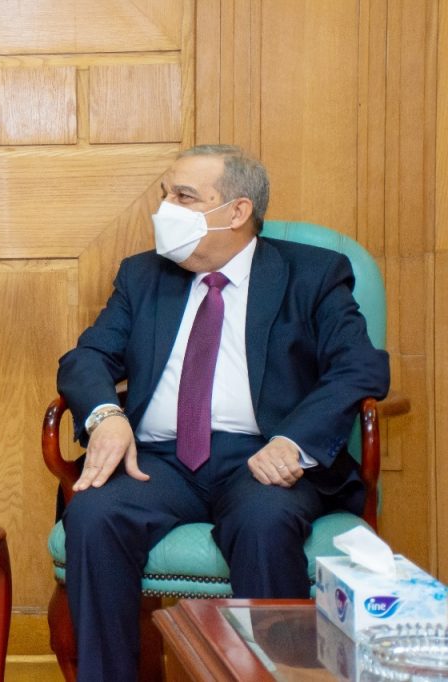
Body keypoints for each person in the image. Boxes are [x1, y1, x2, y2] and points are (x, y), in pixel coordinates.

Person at [57, 144, 390, 680]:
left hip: (262, 457)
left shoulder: (313, 273)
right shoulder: (142, 276)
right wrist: (105, 416)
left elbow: (359, 368)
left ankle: (272, 675)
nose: (165, 209)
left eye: (184, 197)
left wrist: (294, 442)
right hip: (159, 461)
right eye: (165, 194)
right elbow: (88, 357)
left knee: (264, 520)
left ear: (237, 211)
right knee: (93, 515)